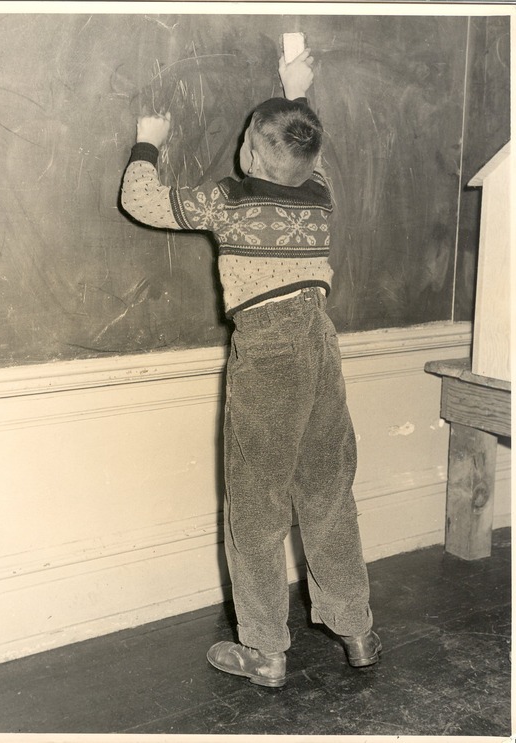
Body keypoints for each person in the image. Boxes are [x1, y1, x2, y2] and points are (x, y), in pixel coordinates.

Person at [120, 48, 381, 688]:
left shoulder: (227, 200)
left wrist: (146, 144)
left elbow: (142, 201)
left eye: (246, 141)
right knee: (326, 493)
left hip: (267, 353)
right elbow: (301, 150)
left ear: (248, 155)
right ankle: (358, 632)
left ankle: (265, 650)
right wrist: (296, 92)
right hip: (321, 345)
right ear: (312, 161)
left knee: (257, 509)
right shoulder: (320, 196)